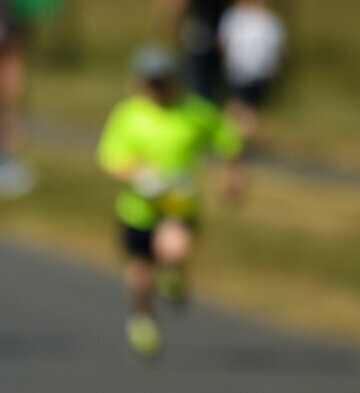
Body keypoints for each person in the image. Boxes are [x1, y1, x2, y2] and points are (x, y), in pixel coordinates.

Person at [97, 45, 245, 358]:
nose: (157, 88)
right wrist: (140, 173)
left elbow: (228, 141)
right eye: (150, 82)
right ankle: (142, 320)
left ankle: (175, 276)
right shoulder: (128, 115)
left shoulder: (195, 112)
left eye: (162, 81)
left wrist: (233, 178)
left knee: (175, 247)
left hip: (178, 203)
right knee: (141, 272)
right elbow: (111, 160)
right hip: (138, 209)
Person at [217, 0, 286, 143]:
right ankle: (231, 137)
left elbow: (277, 44)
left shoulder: (268, 18)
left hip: (260, 70)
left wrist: (273, 65)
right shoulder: (234, 16)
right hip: (238, 68)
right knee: (238, 103)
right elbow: (223, 41)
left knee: (250, 106)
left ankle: (240, 138)